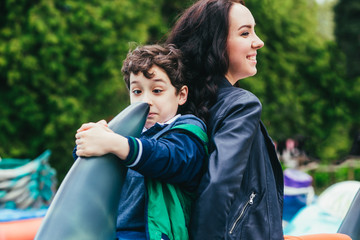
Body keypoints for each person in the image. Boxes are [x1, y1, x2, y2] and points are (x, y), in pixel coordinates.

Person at [166, 0, 352, 240]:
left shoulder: (181, 102)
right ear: (215, 42)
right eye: (245, 33)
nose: (259, 41)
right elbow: (218, 186)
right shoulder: (240, 105)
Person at [73, 44, 208, 240]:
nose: (146, 101)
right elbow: (94, 175)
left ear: (181, 95)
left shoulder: (187, 129)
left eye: (157, 90)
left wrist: (117, 144)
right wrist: (87, 142)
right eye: (137, 91)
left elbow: (171, 158)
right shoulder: (125, 133)